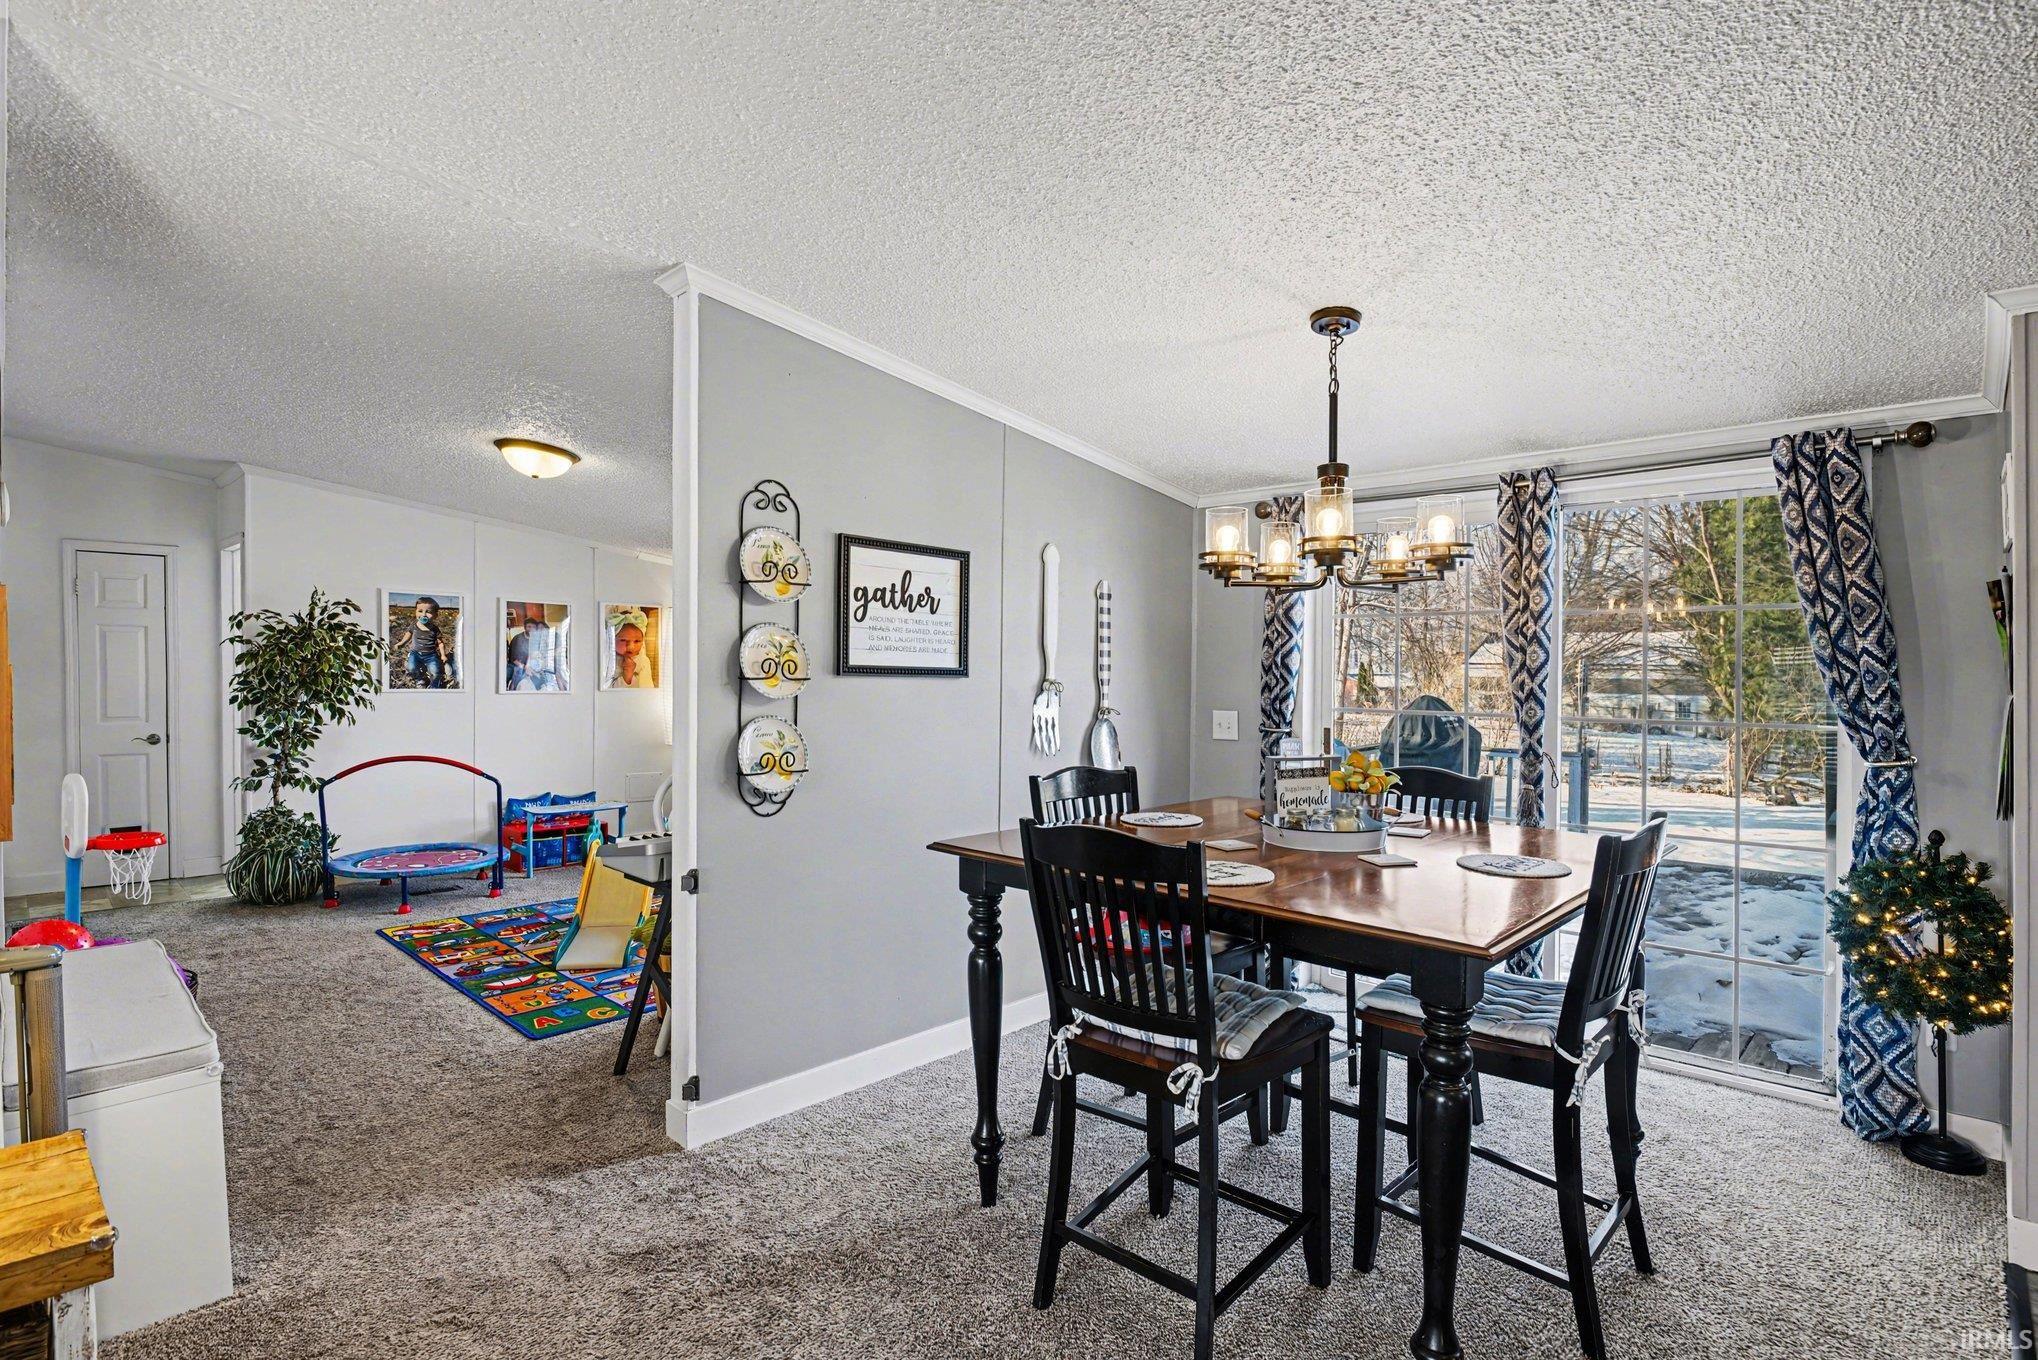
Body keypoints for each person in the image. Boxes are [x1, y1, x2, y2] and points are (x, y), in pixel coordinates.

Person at [394, 596, 452, 688]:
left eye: (428, 612)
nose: (424, 615)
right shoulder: (414, 625)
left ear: (435, 615)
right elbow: (408, 634)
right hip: (415, 653)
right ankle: (419, 679)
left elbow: (440, 643)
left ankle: (434, 684)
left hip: (431, 655)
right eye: (420, 611)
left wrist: (443, 655)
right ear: (415, 612)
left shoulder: (434, 629)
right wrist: (402, 643)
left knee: (435, 671)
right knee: (411, 667)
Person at [607, 609, 653, 688]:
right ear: (612, 640)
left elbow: (647, 689)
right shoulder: (608, 660)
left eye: (637, 641)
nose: (630, 647)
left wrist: (630, 677)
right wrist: (626, 677)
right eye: (623, 640)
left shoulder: (643, 662)